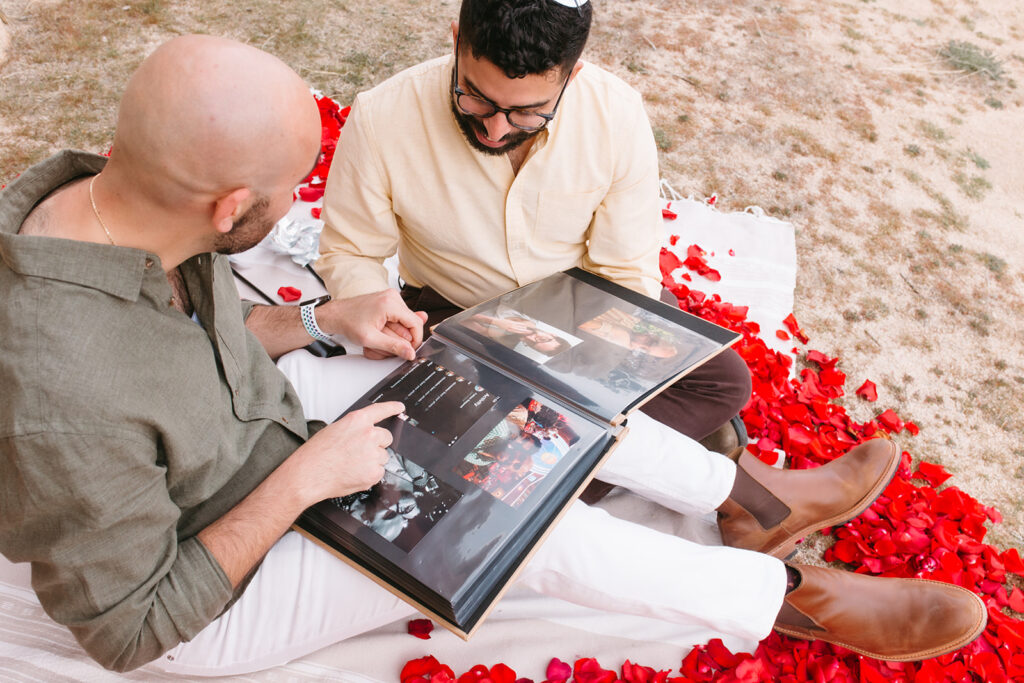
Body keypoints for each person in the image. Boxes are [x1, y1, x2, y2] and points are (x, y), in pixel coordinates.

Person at [0, 34, 986, 677]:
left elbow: (180, 354)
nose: (301, 202)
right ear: (229, 209)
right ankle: (789, 600)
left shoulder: (107, 208)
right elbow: (133, 625)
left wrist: (318, 324)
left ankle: (750, 499)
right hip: (217, 594)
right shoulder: (61, 393)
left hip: (255, 427)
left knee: (495, 367)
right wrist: (304, 479)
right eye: (288, 188)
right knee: (506, 507)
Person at [314, 0, 752, 458]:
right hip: (457, 314)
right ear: (456, 39)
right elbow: (349, 252)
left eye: (527, 112)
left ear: (572, 74)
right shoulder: (383, 115)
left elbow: (625, 268)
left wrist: (597, 361)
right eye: (475, 97)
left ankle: (592, 461)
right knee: (491, 442)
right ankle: (636, 462)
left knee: (724, 383)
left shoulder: (615, 113)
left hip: (586, 306)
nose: (495, 130)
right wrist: (373, 308)